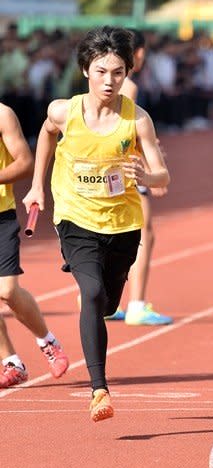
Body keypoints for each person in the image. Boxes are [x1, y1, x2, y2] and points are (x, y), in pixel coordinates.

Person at [22, 26, 170, 422]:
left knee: (106, 303)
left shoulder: (137, 120)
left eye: (118, 72)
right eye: (102, 71)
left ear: (128, 73)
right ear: (86, 69)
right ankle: (99, 390)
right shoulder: (63, 111)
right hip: (75, 218)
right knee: (89, 292)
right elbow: (47, 134)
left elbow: (163, 179)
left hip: (122, 224)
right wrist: (37, 185)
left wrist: (146, 176)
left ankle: (98, 301)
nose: (110, 80)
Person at [105, 29, 172, 326]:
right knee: (145, 234)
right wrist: (149, 169)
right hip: (128, 169)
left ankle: (102, 299)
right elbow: (128, 130)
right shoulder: (128, 86)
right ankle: (137, 304)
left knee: (108, 230)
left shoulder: (99, 83)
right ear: (139, 54)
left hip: (106, 168)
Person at [0, 102, 69, 388]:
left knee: (7, 291)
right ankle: (11, 362)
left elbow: (24, 162)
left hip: (0, 215)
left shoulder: (2, 114)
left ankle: (47, 341)